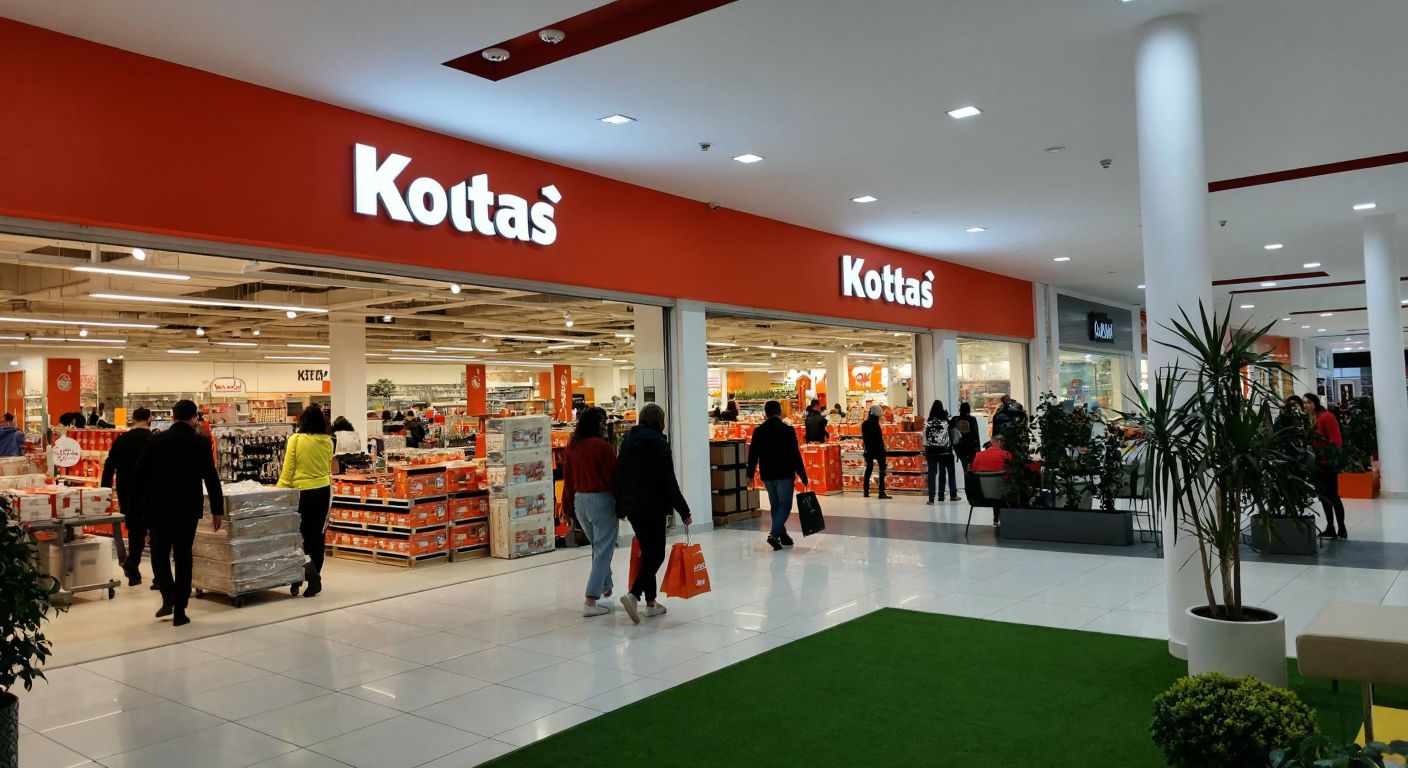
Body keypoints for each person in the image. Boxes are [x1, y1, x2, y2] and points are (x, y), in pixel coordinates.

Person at [133, 399, 223, 627]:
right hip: (187, 509)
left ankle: (168, 596)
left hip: (159, 507)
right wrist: (217, 510)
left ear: (172, 417)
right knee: (184, 556)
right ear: (194, 418)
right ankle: (180, 608)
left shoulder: (157, 440)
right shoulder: (201, 443)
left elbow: (139, 476)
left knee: (159, 554)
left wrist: (136, 510)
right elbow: (211, 479)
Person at [614, 403, 691, 624]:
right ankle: (634, 594)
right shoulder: (659, 443)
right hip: (654, 506)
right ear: (660, 420)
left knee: (648, 552)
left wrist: (619, 505)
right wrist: (684, 510)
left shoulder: (627, 441)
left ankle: (651, 603)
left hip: (633, 507)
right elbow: (668, 480)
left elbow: (619, 474)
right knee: (656, 554)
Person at [562, 407, 618, 617]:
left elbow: (568, 480)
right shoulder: (602, 447)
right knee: (604, 548)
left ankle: (606, 585)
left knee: (598, 546)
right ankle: (590, 599)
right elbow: (613, 477)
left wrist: (567, 506)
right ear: (597, 423)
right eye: (603, 421)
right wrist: (621, 503)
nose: (605, 424)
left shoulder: (572, 447)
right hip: (601, 500)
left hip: (580, 501)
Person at [278, 404, 336, 597]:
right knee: (317, 536)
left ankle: (304, 578)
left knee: (299, 537)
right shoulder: (328, 440)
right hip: (323, 491)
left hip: (302, 493)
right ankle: (314, 576)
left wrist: (279, 492)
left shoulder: (296, 439)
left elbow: (288, 470)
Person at [102, 407, 155, 586]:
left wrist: (104, 492)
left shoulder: (122, 440)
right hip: (151, 491)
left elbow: (109, 467)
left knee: (135, 530)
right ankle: (156, 577)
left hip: (127, 492)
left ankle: (134, 571)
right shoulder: (154, 439)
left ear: (133, 419)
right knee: (155, 531)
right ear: (149, 419)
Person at [747, 400, 809, 551]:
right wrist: (802, 474)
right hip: (784, 474)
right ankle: (773, 535)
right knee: (785, 506)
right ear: (779, 412)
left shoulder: (759, 431)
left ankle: (783, 536)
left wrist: (750, 474)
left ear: (765, 413)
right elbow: (795, 455)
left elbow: (753, 454)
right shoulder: (787, 430)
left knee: (775, 506)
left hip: (767, 475)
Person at [1305, 392, 1346, 539]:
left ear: (1315, 403)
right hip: (1317, 463)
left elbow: (1336, 441)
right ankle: (1330, 526)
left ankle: (1341, 528)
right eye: (1304, 403)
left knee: (1333, 496)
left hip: (1327, 463)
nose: (1306, 405)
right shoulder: (1312, 419)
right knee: (1323, 497)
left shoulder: (1326, 417)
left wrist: (1330, 459)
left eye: (1309, 402)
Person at [924, 400, 958, 504]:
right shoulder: (947, 422)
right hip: (945, 452)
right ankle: (951, 495)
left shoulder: (928, 423)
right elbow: (954, 436)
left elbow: (925, 438)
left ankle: (931, 498)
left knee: (932, 474)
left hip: (931, 452)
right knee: (949, 473)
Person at [861, 405, 890, 499]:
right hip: (878, 450)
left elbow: (865, 438)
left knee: (868, 469)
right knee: (881, 470)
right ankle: (881, 492)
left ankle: (866, 491)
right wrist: (883, 449)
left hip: (868, 449)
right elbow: (878, 438)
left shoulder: (864, 424)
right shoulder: (875, 423)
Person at [951, 402, 981, 473]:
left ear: (960, 409)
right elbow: (976, 433)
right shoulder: (972, 419)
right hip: (970, 444)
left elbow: (951, 431)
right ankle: (969, 476)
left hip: (959, 444)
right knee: (971, 463)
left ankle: (964, 473)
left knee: (963, 462)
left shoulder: (955, 419)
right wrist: (978, 446)